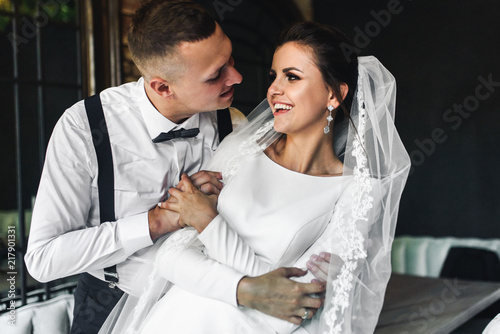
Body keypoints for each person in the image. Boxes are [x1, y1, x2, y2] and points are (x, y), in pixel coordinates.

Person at [24, 1, 327, 333]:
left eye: (231, 60)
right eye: (216, 75)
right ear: (162, 87)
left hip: (206, 306)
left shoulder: (236, 126)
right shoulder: (85, 128)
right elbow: (43, 258)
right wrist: (156, 221)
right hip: (109, 304)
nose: (236, 77)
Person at [100, 21, 411, 334]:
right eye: (274, 76)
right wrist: (255, 288)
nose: (274, 89)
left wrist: (209, 223)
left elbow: (297, 302)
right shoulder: (242, 149)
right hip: (174, 321)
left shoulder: (358, 192)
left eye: (292, 77)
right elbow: (169, 258)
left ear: (334, 94)